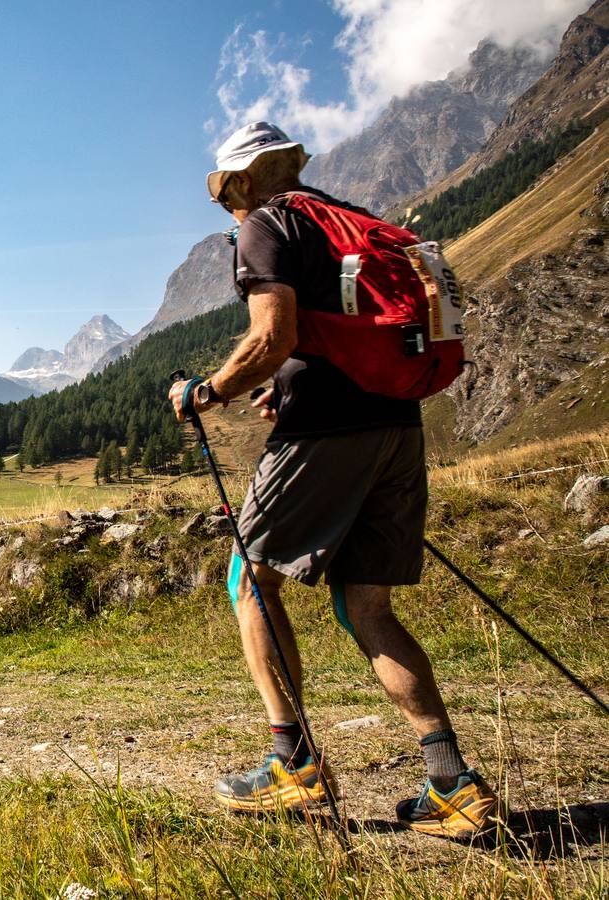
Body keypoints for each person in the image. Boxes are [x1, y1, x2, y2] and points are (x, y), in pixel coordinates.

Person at [167, 121, 499, 838]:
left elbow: (271, 335)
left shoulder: (266, 223)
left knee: (250, 578)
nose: (229, 212)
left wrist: (209, 390)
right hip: (397, 428)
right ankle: (451, 782)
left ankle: (294, 764)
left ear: (245, 182)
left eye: (226, 197)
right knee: (367, 607)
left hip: (328, 434)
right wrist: (282, 387)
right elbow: (336, 335)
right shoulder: (351, 219)